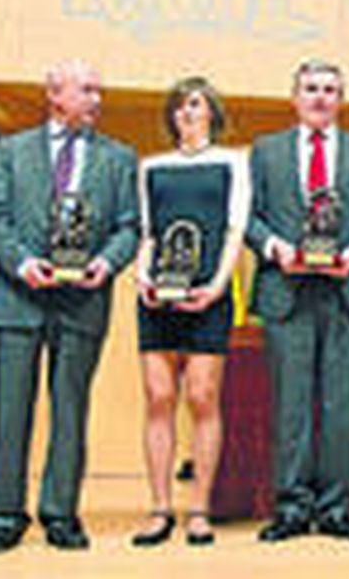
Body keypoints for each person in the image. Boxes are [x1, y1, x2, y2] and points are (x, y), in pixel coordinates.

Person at [0, 59, 140, 552]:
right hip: (18, 298)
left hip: (82, 301)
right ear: (54, 94)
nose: (96, 99)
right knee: (11, 411)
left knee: (71, 410)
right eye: (86, 89)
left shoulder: (119, 157)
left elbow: (129, 226)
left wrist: (105, 265)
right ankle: (4, 514)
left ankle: (60, 512)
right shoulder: (11, 149)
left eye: (99, 90)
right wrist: (22, 263)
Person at [247, 60, 349, 542]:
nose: (321, 97)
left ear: (342, 99)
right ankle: (290, 506)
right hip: (287, 291)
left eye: (330, 90)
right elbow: (249, 217)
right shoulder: (265, 152)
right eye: (311, 89)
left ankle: (335, 508)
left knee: (341, 405)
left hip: (346, 291)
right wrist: (274, 248)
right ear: (294, 97)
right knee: (291, 405)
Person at [130, 77, 250, 547]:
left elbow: (234, 231)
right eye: (179, 106)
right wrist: (142, 278)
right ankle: (160, 509)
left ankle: (198, 509)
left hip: (209, 295)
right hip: (158, 298)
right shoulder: (151, 167)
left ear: (212, 112)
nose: (187, 112)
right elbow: (148, 234)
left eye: (195, 104)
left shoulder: (233, 163)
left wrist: (217, 287)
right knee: (158, 397)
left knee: (202, 397)